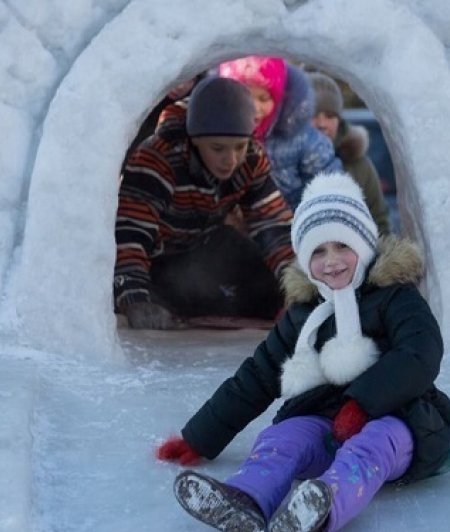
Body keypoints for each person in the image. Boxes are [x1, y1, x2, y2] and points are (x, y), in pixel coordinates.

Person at [156, 172, 450, 532]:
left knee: (372, 444)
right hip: (322, 420)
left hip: (402, 419)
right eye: (317, 251)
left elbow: (420, 353)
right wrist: (199, 437)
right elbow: (257, 377)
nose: (331, 262)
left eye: (341, 246)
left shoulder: (396, 298)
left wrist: (362, 404)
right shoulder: (303, 315)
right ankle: (244, 501)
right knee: (281, 439)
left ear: (363, 244)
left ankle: (321, 509)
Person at [114, 76, 295, 329]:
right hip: (157, 257)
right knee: (175, 300)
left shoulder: (251, 158)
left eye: (239, 147)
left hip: (204, 243)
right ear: (194, 139)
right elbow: (131, 234)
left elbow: (273, 224)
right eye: (218, 148)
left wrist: (299, 289)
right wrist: (134, 298)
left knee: (269, 287)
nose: (230, 160)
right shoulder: (158, 158)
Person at [218, 56, 342, 211]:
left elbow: (330, 190)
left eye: (264, 99)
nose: (255, 109)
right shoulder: (215, 133)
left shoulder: (303, 139)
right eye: (246, 98)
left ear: (279, 99)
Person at [309, 72, 392, 236]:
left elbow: (380, 225)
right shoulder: (279, 165)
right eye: (313, 114)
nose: (322, 124)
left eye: (330, 116)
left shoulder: (359, 166)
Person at [120, 73, 207, 171]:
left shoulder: (196, 114)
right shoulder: (142, 106)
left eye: (190, 80)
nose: (180, 86)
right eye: (178, 77)